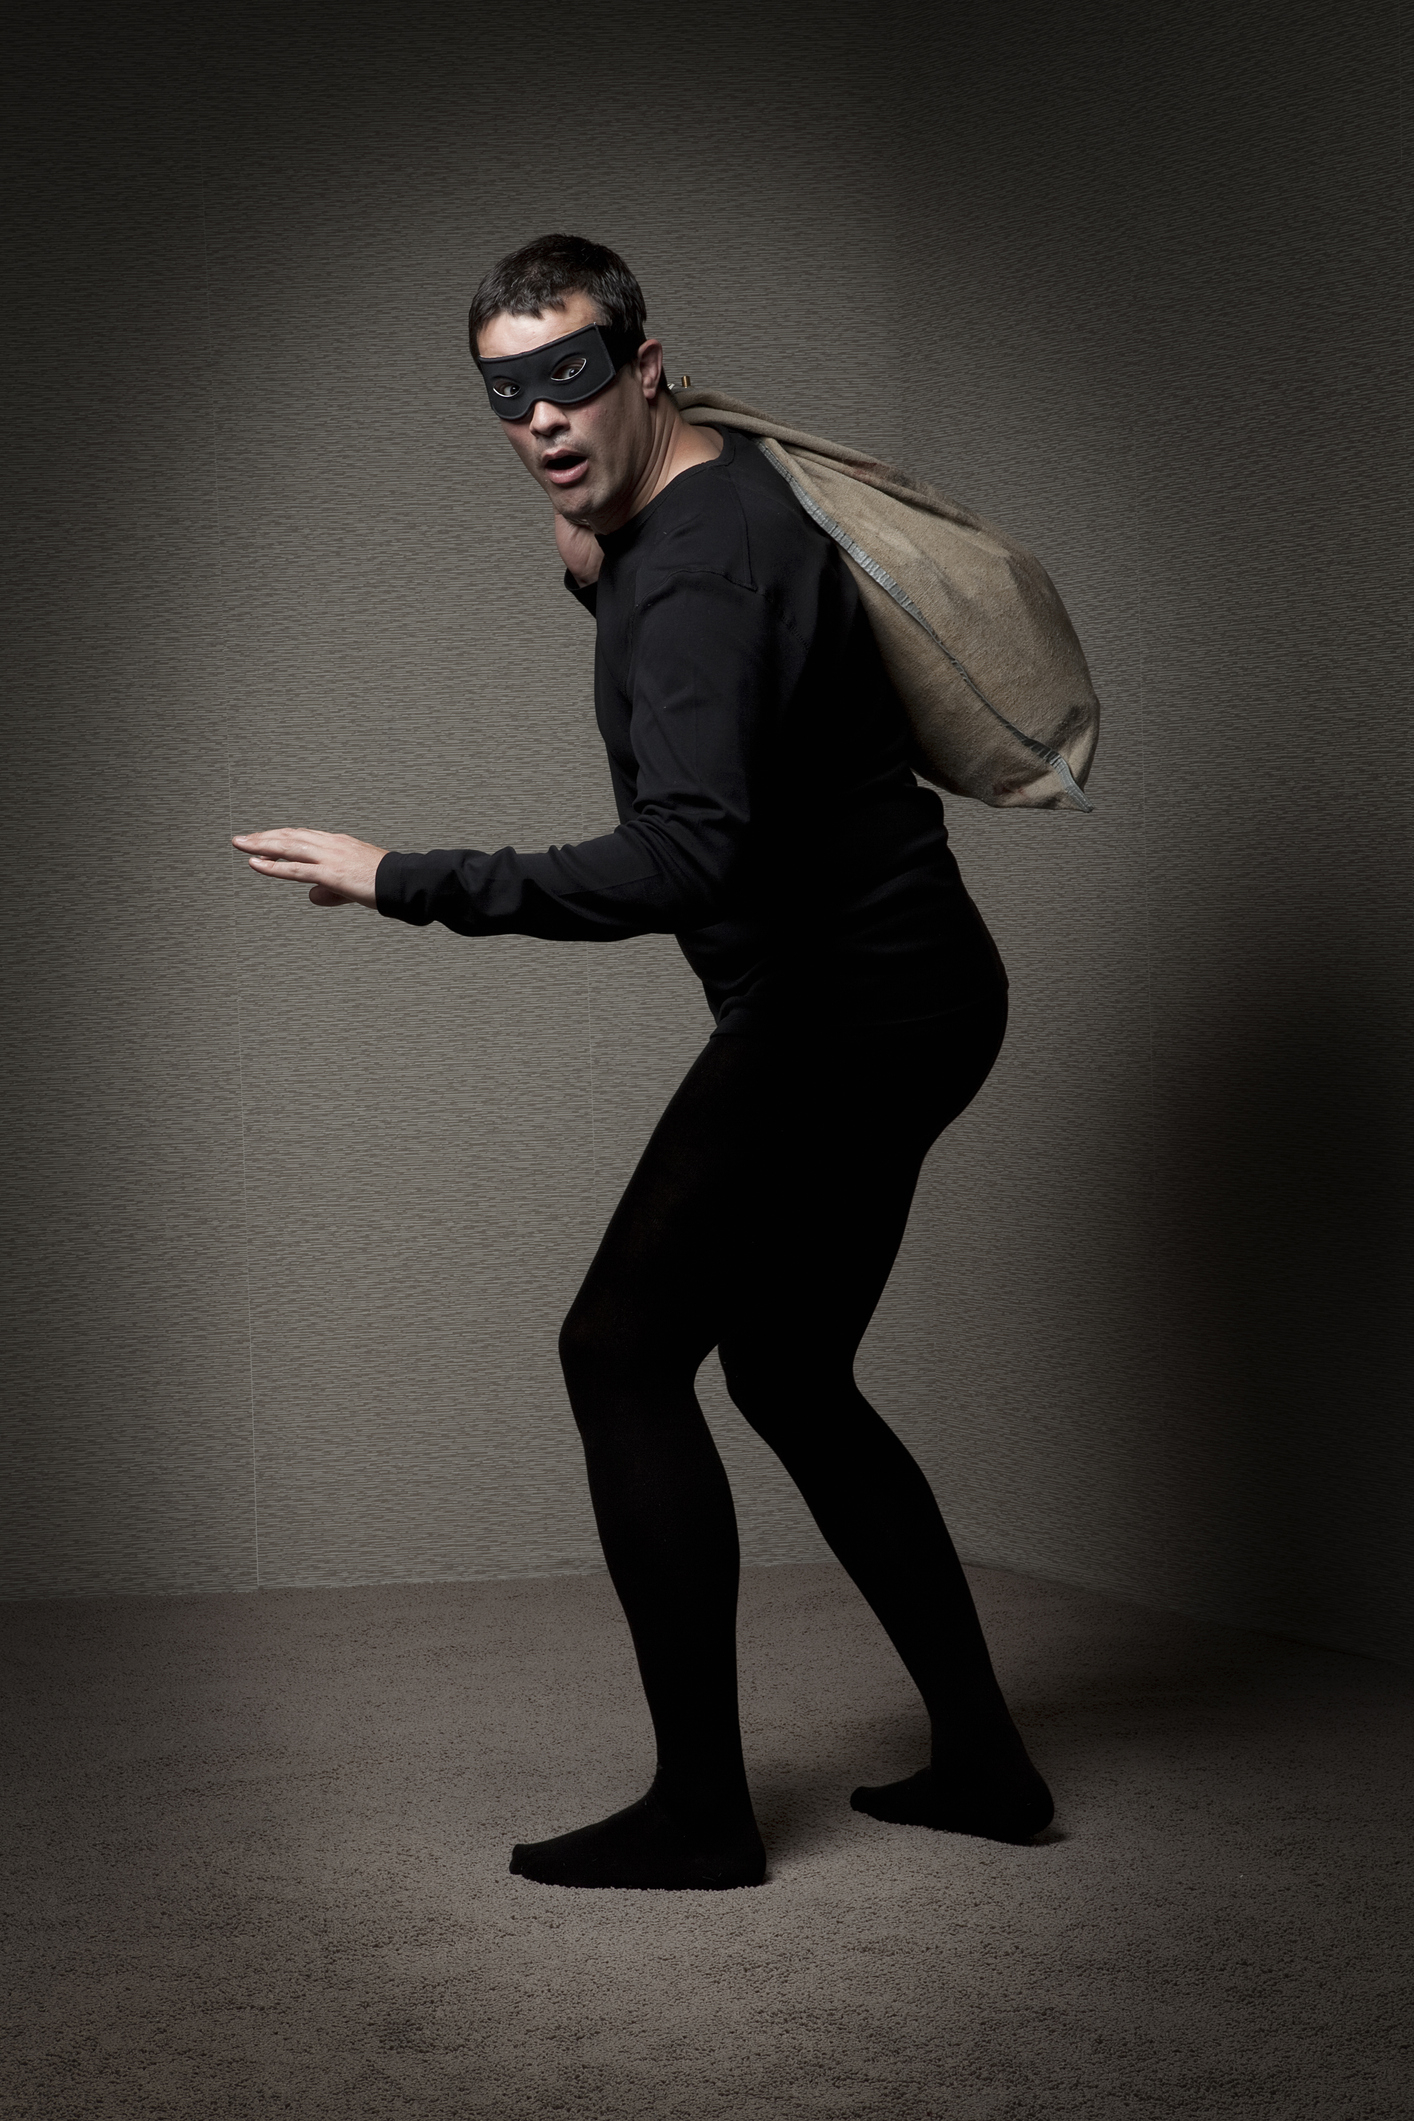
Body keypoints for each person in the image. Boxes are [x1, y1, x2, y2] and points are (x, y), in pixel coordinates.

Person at [234, 233, 1054, 1892]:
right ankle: (983, 1761)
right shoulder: (720, 499)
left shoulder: (689, 573)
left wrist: (402, 876)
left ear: (643, 358)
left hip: (839, 1011)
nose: (539, 415)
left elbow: (682, 853)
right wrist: (594, 548)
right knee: (788, 1371)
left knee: (619, 1352)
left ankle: (699, 1811)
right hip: (925, 992)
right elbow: (741, 665)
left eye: (570, 374)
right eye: (505, 392)